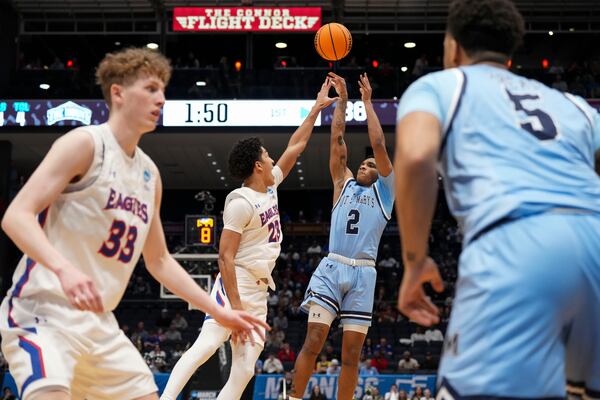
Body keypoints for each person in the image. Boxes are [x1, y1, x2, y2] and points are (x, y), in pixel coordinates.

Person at [0, 47, 268, 400]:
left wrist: (220, 311)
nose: (162, 98)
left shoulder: (149, 174)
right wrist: (64, 269)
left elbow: (159, 261)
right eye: (151, 89)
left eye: (163, 90)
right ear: (118, 94)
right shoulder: (85, 144)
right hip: (43, 311)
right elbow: (16, 216)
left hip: (99, 324)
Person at [395, 0, 600, 397]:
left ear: (453, 47)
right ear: (509, 52)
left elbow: (417, 156)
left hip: (517, 243)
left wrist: (414, 260)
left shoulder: (440, 85)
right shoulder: (573, 104)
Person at [160, 77, 339, 400]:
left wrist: (316, 109)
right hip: (236, 286)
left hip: (258, 290)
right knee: (207, 344)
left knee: (245, 368)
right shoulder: (240, 200)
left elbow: (295, 148)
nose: (273, 159)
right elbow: (224, 257)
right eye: (268, 156)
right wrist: (237, 308)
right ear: (258, 165)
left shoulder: (269, 188)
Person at [290, 72, 395, 400]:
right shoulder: (342, 183)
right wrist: (344, 102)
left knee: (351, 356)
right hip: (333, 268)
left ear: (379, 173)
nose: (364, 166)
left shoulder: (385, 193)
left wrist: (367, 104)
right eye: (361, 164)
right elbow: (337, 137)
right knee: (314, 341)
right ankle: (292, 397)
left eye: (370, 165)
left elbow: (378, 145)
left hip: (364, 273)